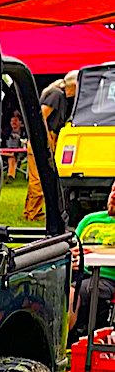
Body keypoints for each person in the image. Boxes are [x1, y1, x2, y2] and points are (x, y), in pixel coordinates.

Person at [24, 70, 78, 221]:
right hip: (43, 138)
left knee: (38, 177)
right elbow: (42, 116)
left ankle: (31, 211)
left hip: (46, 137)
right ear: (73, 85)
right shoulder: (57, 95)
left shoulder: (59, 95)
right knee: (39, 179)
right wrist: (46, 140)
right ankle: (33, 213)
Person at [69, 179, 115, 337]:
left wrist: (94, 254)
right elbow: (72, 246)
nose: (113, 196)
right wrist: (72, 258)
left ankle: (66, 340)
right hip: (78, 272)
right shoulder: (90, 220)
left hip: (106, 277)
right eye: (113, 191)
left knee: (73, 292)